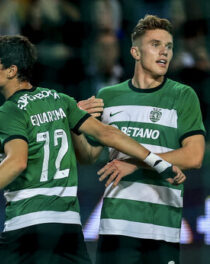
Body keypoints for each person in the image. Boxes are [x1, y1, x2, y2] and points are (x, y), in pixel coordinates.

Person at [0, 35, 185, 263]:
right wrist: (158, 162)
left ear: (11, 71)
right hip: (66, 226)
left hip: (27, 224)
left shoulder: (9, 111)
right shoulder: (60, 100)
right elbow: (107, 133)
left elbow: (17, 162)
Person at [72, 14, 206, 264]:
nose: (164, 52)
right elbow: (88, 156)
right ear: (135, 52)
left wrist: (135, 163)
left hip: (161, 227)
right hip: (116, 227)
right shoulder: (108, 96)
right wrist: (75, 126)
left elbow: (194, 156)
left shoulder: (183, 96)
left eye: (169, 46)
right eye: (155, 44)